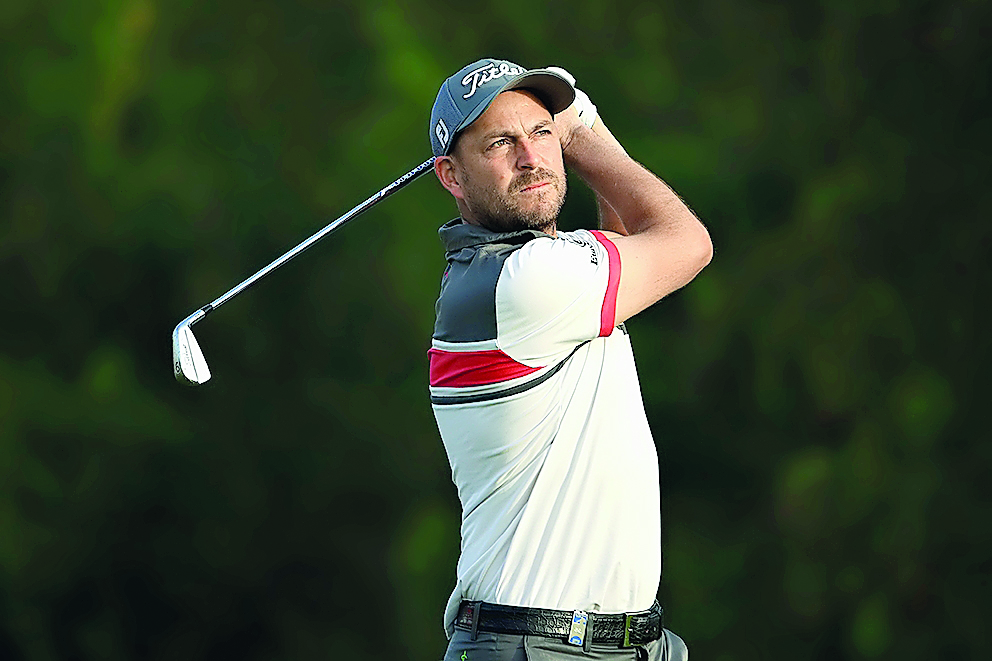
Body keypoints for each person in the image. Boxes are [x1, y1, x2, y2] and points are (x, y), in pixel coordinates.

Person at [427, 58, 712, 661]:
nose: (531, 158)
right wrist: (581, 128)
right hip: (535, 644)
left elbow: (626, 236)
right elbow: (687, 244)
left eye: (541, 133)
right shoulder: (524, 282)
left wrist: (577, 132)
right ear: (451, 176)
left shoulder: (544, 268)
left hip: (625, 643)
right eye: (501, 143)